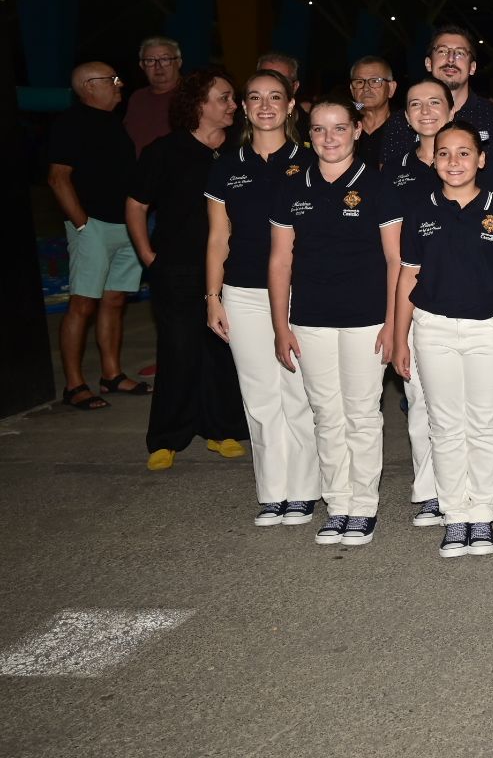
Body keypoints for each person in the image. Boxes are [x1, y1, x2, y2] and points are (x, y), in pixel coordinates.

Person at [269, 100, 403, 547]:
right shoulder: (293, 187)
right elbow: (280, 260)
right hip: (310, 318)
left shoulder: (378, 185)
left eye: (339, 128)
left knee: (361, 415)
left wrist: (392, 323)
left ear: (357, 130)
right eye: (319, 129)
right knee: (326, 415)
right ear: (308, 134)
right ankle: (337, 504)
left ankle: (362, 507)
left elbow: (395, 260)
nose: (330, 138)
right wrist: (281, 326)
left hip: (367, 319)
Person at [395, 122, 493, 558]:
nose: (454, 162)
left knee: (485, 423)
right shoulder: (420, 211)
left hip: (489, 329)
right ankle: (455, 515)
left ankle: (482, 513)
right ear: (433, 160)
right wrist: (400, 338)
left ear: (481, 159)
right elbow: (407, 276)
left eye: (464, 153)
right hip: (432, 329)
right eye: (445, 153)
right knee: (444, 424)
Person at [204, 69, 319, 523]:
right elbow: (218, 237)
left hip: (299, 292)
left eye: (275, 97)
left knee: (298, 392)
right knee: (259, 395)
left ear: (291, 105)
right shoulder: (225, 166)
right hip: (243, 293)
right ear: (245, 108)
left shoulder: (311, 161)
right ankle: (274, 491)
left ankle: (305, 490)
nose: (265, 105)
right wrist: (213, 297)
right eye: (255, 98)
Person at [127, 67, 249, 470]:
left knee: (221, 350)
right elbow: (136, 205)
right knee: (178, 349)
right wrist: (148, 257)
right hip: (177, 267)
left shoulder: (239, 149)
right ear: (199, 104)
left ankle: (222, 428)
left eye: (233, 98)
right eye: (224, 98)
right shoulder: (165, 151)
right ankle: (167, 437)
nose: (233, 105)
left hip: (230, 268)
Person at [48, 62, 144, 409]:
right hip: (93, 227)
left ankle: (111, 374)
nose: (119, 84)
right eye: (111, 80)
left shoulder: (113, 122)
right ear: (89, 86)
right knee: (83, 304)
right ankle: (74, 385)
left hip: (125, 225)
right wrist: (82, 224)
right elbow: (58, 177)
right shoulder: (71, 123)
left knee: (115, 301)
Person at [377, 26, 493, 166]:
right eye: (442, 51)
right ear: (428, 63)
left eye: (460, 53)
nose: (450, 59)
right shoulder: (399, 122)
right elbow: (387, 175)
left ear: (472, 67)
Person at [125, 37, 182, 155]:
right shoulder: (137, 98)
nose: (158, 66)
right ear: (142, 66)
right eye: (150, 60)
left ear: (179, 62)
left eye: (165, 59)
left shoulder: (194, 94)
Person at [349, 55, 396, 169]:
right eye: (359, 82)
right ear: (352, 90)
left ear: (391, 88)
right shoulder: (344, 130)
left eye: (375, 81)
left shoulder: (405, 130)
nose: (366, 88)